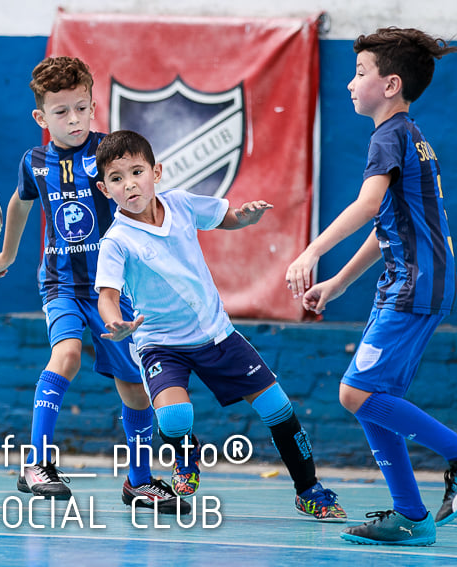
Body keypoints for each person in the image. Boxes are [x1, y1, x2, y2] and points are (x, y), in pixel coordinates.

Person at [285, 27, 457, 546]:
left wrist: (312, 252)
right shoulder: (409, 135)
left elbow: (366, 208)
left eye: (360, 73)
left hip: (414, 284)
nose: (349, 84)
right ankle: (411, 515)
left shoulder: (389, 136)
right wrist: (338, 281)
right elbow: (389, 224)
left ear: (390, 84)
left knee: (354, 393)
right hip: (411, 281)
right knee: (374, 395)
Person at [94, 129, 347, 522]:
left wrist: (243, 218)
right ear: (105, 188)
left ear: (156, 172)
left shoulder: (179, 204)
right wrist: (116, 323)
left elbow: (222, 217)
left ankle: (309, 489)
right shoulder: (116, 241)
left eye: (137, 172)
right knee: (175, 418)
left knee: (278, 407)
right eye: (116, 178)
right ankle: (185, 453)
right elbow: (107, 295)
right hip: (160, 344)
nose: (129, 184)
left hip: (216, 335)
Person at [0, 56, 188, 515]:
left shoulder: (108, 155)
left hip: (112, 287)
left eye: (81, 108)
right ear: (41, 117)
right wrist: (8, 254)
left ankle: (138, 482)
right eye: (61, 111)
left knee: (134, 385)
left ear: (93, 106)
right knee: (67, 353)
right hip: (60, 284)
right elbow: (19, 203)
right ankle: (36, 464)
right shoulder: (34, 163)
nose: (73, 119)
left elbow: (141, 200)